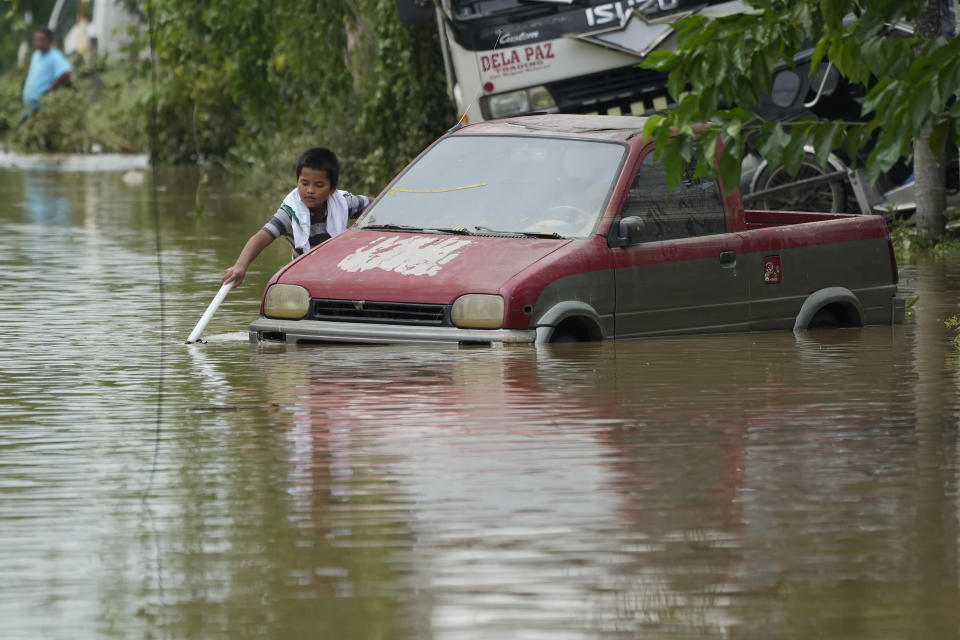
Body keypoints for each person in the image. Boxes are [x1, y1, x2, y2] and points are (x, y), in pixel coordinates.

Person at [222, 147, 371, 286]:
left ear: (332, 188)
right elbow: (261, 237)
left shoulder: (343, 202)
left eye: (319, 185)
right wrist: (240, 266)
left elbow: (378, 205)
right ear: (297, 181)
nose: (310, 190)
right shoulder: (291, 211)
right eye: (304, 183)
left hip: (339, 274)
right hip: (303, 279)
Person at [21, 28, 72, 115]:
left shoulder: (55, 56)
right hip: (29, 105)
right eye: (36, 40)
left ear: (50, 41)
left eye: (41, 41)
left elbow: (66, 73)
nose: (38, 44)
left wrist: (51, 89)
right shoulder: (36, 55)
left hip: (42, 104)